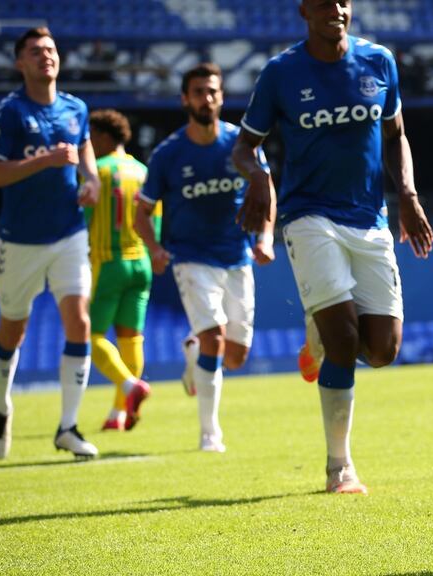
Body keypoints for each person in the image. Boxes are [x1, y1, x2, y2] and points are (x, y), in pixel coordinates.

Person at [234, 0, 433, 494]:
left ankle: (317, 336)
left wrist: (407, 193)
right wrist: (258, 175)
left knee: (383, 350)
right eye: (324, 2)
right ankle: (339, 467)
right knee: (345, 343)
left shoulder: (378, 61)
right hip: (307, 216)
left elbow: (396, 136)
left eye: (343, 1)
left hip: (370, 219)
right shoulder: (281, 72)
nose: (336, 9)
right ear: (305, 9)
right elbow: (243, 146)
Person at [134, 63, 275, 453]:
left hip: (237, 256)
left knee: (236, 356)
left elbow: (267, 190)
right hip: (191, 258)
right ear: (185, 99)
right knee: (214, 337)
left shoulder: (240, 145)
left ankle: (193, 354)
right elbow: (140, 214)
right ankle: (210, 434)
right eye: (198, 92)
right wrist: (156, 248)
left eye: (212, 91)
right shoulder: (168, 154)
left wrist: (265, 237)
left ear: (221, 96)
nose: (206, 98)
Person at [0, 27, 101, 460]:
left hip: (69, 232)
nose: (45, 56)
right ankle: (1, 404)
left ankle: (68, 427)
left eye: (50, 50)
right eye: (35, 51)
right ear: (20, 63)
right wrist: (44, 161)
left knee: (80, 321)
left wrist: (90, 180)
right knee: (13, 328)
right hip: (20, 240)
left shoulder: (76, 108)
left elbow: (85, 147)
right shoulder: (9, 113)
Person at [86, 109, 154, 432]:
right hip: (141, 262)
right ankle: (120, 414)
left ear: (102, 136)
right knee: (131, 339)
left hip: (107, 261)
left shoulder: (96, 171)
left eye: (90, 136)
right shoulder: (143, 172)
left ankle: (130, 387)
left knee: (92, 336)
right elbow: (154, 221)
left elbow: (83, 218)